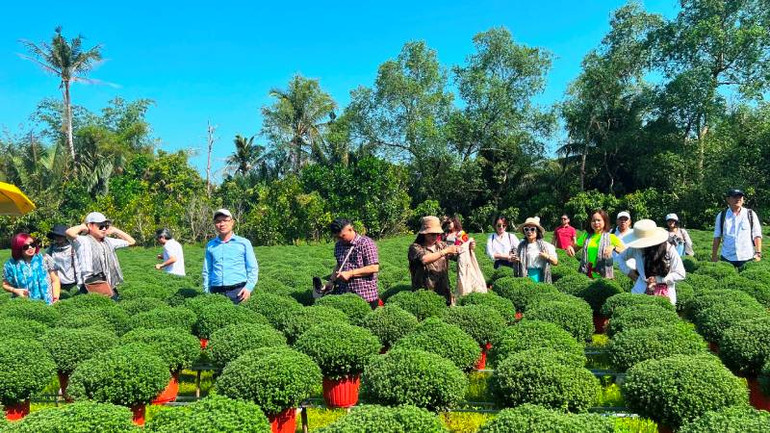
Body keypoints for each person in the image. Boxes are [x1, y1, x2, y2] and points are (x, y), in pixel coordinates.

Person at [66, 212, 136, 299]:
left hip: (108, 281)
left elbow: (132, 242)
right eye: (100, 226)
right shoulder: (82, 241)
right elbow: (69, 232)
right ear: (90, 225)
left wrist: (115, 230)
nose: (104, 229)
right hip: (91, 283)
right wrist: (83, 226)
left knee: (114, 301)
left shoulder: (108, 241)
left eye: (106, 226)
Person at [618, 219, 685, 305]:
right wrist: (628, 272)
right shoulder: (636, 249)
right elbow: (621, 258)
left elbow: (680, 273)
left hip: (665, 294)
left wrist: (659, 280)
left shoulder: (668, 249)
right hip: (640, 291)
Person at [202, 209, 258, 304]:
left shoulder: (244, 243)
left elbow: (253, 268)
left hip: (238, 291)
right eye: (218, 221)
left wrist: (248, 288)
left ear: (232, 222)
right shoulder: (210, 245)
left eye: (225, 220)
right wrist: (206, 291)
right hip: (216, 291)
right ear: (215, 224)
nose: (222, 224)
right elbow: (207, 270)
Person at [323, 218, 381, 309]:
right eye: (337, 237)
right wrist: (331, 281)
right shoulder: (338, 245)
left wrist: (350, 273)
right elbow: (339, 265)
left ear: (350, 229)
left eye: (342, 236)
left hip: (365, 296)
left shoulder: (366, 243)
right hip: (344, 295)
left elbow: (374, 267)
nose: (340, 239)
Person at [408, 216, 460, 305]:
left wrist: (468, 247)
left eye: (437, 234)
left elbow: (456, 256)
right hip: (424, 293)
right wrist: (445, 252)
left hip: (443, 291)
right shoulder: (415, 248)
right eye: (432, 234)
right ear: (424, 234)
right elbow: (424, 259)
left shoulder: (442, 246)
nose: (435, 236)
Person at [2, 233, 60, 304]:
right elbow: (5, 284)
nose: (30, 248)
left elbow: (55, 280)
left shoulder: (45, 259)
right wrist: (15, 290)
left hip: (48, 303)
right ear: (18, 248)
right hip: (24, 304)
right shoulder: (11, 265)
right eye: (25, 246)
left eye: (32, 244)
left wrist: (55, 298)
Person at [567, 209, 625, 278]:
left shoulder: (610, 237)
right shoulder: (586, 236)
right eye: (593, 221)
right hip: (586, 274)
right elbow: (573, 249)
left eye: (599, 220)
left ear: (604, 221)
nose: (596, 223)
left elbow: (625, 251)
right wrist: (570, 248)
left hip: (603, 276)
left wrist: (613, 247)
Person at [712, 189, 763, 267]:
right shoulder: (722, 215)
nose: (738, 199)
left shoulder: (750, 214)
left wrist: (758, 253)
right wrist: (714, 255)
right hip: (727, 257)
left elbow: (757, 235)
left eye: (740, 197)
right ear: (728, 199)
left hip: (747, 257)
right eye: (735, 197)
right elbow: (717, 236)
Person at [511, 217, 558, 283]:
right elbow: (517, 258)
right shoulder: (521, 246)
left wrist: (547, 256)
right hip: (524, 275)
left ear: (537, 231)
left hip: (540, 276)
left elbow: (555, 262)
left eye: (532, 229)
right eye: (526, 229)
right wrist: (516, 260)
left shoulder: (546, 246)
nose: (529, 232)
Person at [46, 224, 82, 293]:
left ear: (65, 236)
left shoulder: (72, 248)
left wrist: (79, 284)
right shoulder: (51, 249)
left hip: (71, 283)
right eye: (56, 235)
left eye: (60, 236)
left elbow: (77, 267)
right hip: (56, 282)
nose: (58, 238)